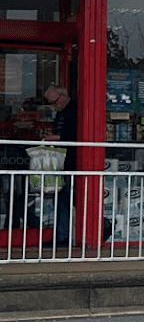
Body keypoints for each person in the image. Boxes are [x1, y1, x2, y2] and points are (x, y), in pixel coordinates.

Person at [43, 85, 77, 243]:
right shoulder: (61, 112)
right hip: (62, 161)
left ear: (63, 97)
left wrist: (56, 138)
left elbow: (76, 134)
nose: (53, 106)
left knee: (66, 198)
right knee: (62, 197)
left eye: (54, 102)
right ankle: (62, 234)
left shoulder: (74, 111)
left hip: (71, 162)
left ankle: (63, 236)